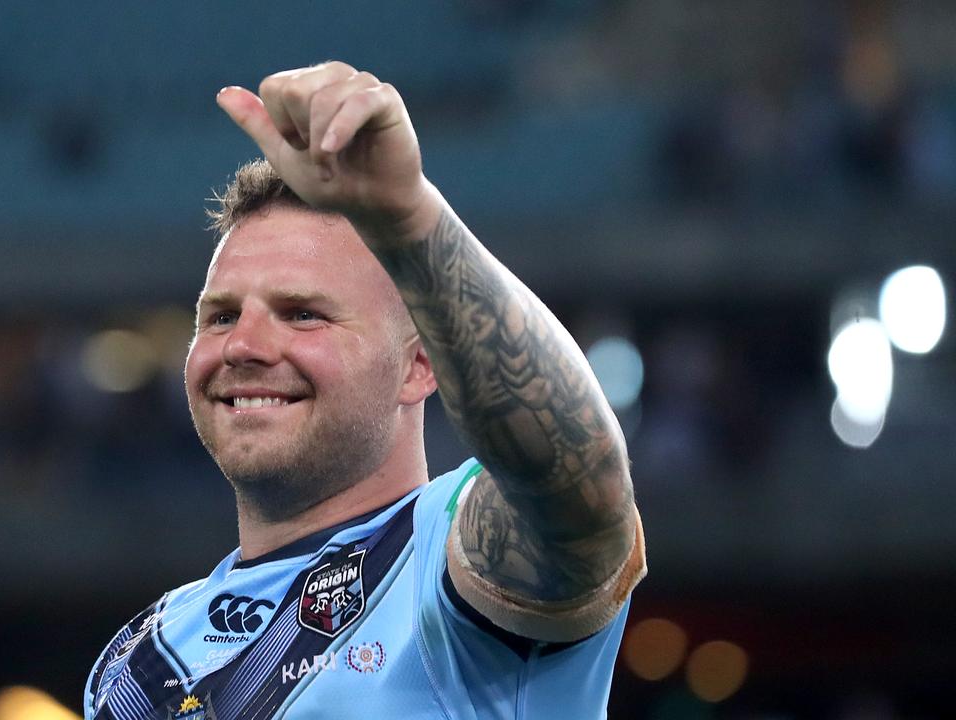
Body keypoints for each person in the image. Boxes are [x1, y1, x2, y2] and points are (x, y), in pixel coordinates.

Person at [85, 61, 645, 720]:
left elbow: (579, 484)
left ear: (418, 366)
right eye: (222, 315)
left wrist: (409, 214)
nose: (243, 346)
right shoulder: (139, 660)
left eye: (303, 313)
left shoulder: (447, 563)